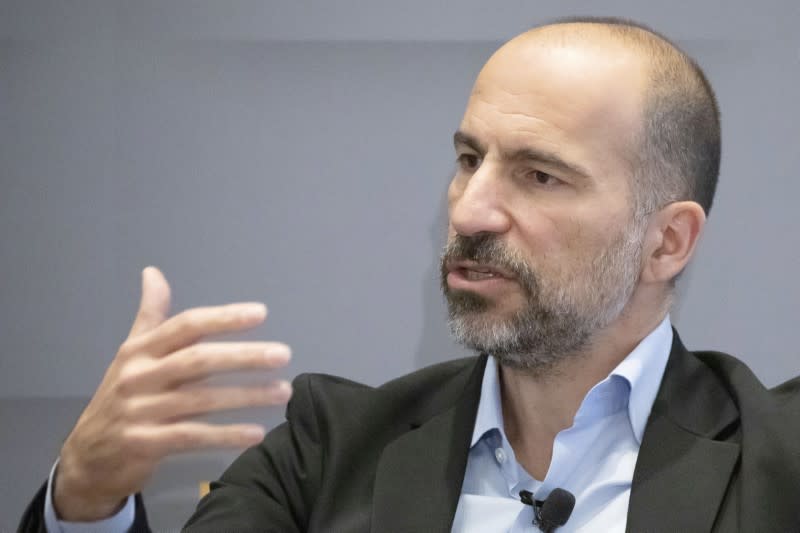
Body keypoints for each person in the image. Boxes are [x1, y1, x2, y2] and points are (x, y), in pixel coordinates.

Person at [18, 16, 800, 533]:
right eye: (469, 160)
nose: (470, 211)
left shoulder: (780, 459)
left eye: (539, 176)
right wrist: (86, 497)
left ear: (667, 242)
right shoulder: (328, 452)